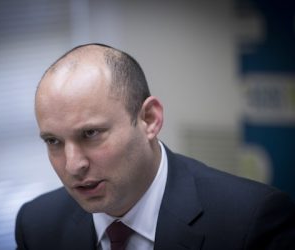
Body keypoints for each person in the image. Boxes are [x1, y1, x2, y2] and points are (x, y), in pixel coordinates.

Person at [15, 43, 295, 250]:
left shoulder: (251, 220)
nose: (73, 164)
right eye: (53, 141)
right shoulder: (38, 225)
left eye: (90, 134)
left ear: (149, 119)